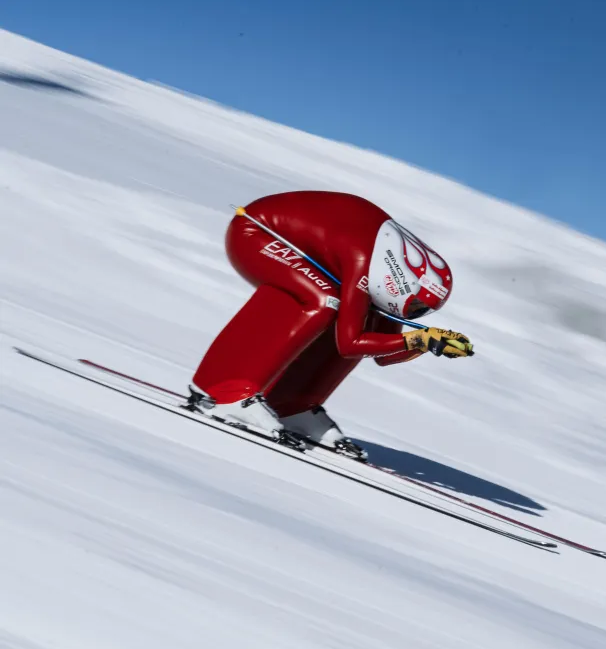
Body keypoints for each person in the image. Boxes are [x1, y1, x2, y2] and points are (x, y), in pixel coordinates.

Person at [188, 190, 474, 460]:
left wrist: (429, 344)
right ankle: (223, 391)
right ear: (400, 282)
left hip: (303, 246)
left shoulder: (386, 274)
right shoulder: (365, 262)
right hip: (256, 231)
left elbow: (382, 357)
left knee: (363, 317)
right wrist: (417, 340)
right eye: (415, 307)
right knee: (323, 300)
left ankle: (292, 406)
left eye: (422, 313)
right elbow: (350, 344)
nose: (411, 316)